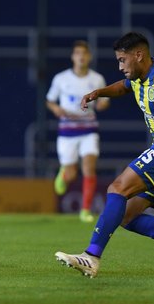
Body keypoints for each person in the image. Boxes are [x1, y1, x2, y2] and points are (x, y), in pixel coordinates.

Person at [54, 32, 154, 278]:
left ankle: (92, 257)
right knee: (127, 216)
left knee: (117, 188)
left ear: (138, 55)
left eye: (122, 60)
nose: (119, 67)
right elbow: (124, 87)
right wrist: (99, 92)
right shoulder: (139, 75)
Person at [46, 40, 110, 223]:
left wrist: (104, 103)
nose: (81, 56)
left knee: (89, 167)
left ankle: (85, 210)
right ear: (73, 56)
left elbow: (103, 102)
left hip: (89, 129)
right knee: (72, 173)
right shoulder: (61, 78)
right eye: (77, 53)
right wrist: (56, 109)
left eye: (84, 53)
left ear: (89, 56)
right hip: (67, 131)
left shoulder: (97, 79)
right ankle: (63, 174)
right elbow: (50, 100)